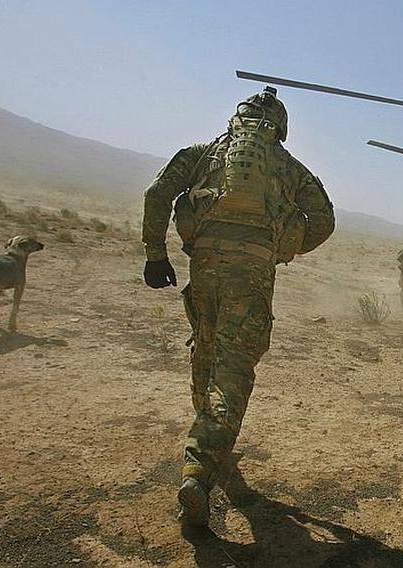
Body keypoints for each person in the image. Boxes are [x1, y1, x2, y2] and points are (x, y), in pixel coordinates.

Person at [141, 87, 335, 529]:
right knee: (232, 374)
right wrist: (282, 246)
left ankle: (219, 462)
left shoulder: (201, 152)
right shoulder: (289, 168)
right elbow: (323, 221)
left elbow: (157, 193)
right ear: (280, 129)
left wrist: (156, 253)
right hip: (251, 278)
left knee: (205, 359)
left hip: (205, 269)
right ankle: (198, 469)